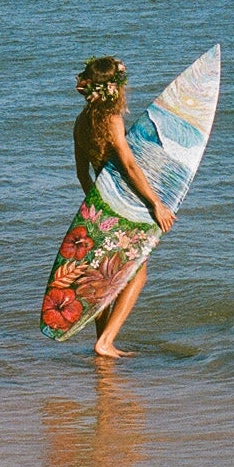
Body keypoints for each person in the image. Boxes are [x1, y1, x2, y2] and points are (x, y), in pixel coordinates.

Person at [73, 56, 175, 359]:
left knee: (104, 277)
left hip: (99, 207)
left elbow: (82, 173)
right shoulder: (112, 120)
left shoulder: (81, 122)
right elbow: (129, 166)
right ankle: (105, 342)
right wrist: (156, 204)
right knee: (137, 273)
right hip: (127, 204)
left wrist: (98, 207)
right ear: (114, 89)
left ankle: (102, 343)